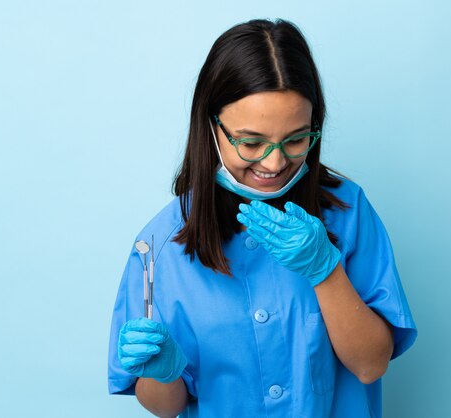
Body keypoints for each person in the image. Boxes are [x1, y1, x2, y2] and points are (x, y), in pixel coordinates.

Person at [108, 18, 417, 418]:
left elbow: (371, 364)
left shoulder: (348, 211)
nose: (274, 162)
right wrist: (163, 373)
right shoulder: (160, 247)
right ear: (211, 126)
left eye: (296, 139)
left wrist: (326, 272)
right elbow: (166, 408)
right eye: (251, 142)